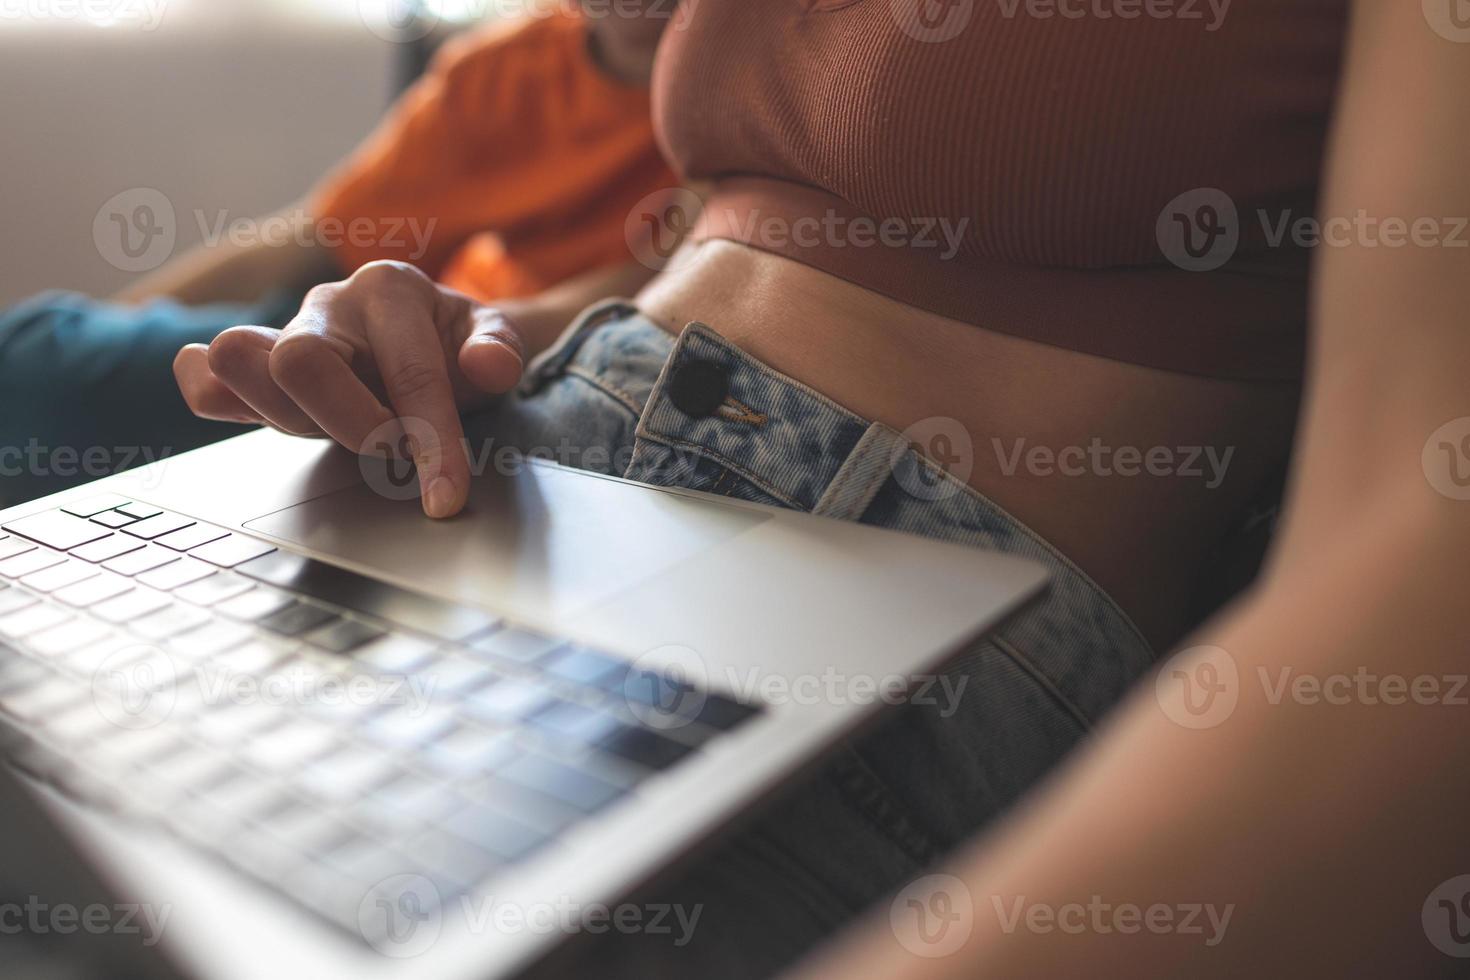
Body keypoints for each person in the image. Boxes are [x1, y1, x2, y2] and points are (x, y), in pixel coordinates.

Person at [176, 1, 1470, 977]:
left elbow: (1421, 553)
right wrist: (457, 339)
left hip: (888, 612)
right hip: (515, 476)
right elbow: (742, 245)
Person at [0, 7, 672, 507]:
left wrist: (485, 333)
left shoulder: (754, 84)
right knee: (40, 350)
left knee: (34, 373)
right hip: (383, 328)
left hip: (461, 358)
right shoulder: (503, 72)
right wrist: (109, 324)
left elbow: (671, 281)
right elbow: (312, 236)